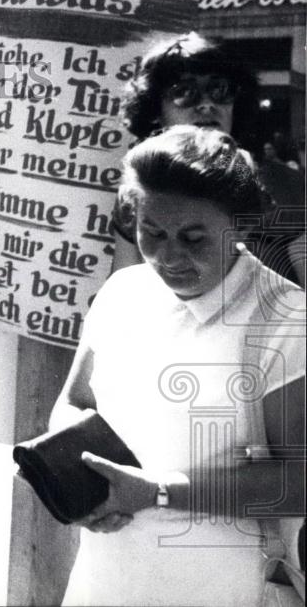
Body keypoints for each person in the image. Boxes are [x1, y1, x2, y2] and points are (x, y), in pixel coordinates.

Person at [51, 126, 305, 606]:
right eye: (152, 233)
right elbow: (76, 401)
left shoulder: (286, 319)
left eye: (194, 238)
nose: (169, 256)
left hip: (224, 588)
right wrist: (71, 471)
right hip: (104, 580)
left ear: (243, 224)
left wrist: (155, 492)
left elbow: (299, 481)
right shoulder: (122, 293)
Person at [112, 33, 305, 286]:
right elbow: (124, 295)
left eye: (219, 90)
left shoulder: (284, 185)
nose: (206, 105)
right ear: (154, 110)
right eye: (184, 92)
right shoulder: (138, 191)